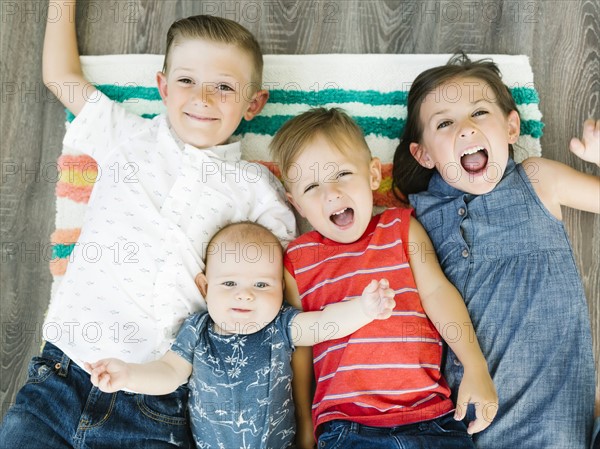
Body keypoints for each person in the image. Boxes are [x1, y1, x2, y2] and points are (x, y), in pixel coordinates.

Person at [0, 2, 297, 448]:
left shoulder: (255, 188)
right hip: (64, 374)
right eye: (186, 81)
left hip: (158, 396)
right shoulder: (127, 136)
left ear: (253, 103)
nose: (202, 98)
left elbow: (288, 278)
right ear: (162, 86)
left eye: (223, 86)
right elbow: (59, 78)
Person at [392, 53, 599, 449]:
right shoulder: (415, 217)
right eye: (445, 122)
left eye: (479, 112)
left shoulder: (537, 180)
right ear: (425, 155)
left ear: (511, 127)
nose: (466, 129)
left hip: (550, 421)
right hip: (462, 421)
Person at [270, 107, 498, 448]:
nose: (331, 194)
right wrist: (303, 423)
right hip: (348, 425)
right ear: (296, 205)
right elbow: (298, 348)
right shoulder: (298, 260)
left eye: (343, 174)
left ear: (374, 175)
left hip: (430, 418)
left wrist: (475, 366)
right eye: (312, 186)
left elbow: (438, 293)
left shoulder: (401, 229)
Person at [85, 221, 396, 449]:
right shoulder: (198, 329)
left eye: (261, 285)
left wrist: (364, 310)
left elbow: (324, 324)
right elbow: (169, 372)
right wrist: (128, 375)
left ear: (281, 291)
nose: (245, 295)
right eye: (229, 284)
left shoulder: (281, 326)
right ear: (205, 288)